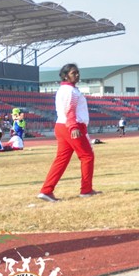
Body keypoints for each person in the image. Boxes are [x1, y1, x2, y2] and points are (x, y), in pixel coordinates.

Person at [37, 63, 101, 202]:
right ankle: (86, 190)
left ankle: (46, 190)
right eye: (73, 73)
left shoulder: (67, 89)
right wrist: (73, 127)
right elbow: (69, 110)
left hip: (63, 125)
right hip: (72, 125)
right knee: (87, 156)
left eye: (77, 72)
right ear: (66, 75)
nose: (77, 75)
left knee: (61, 159)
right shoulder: (69, 91)